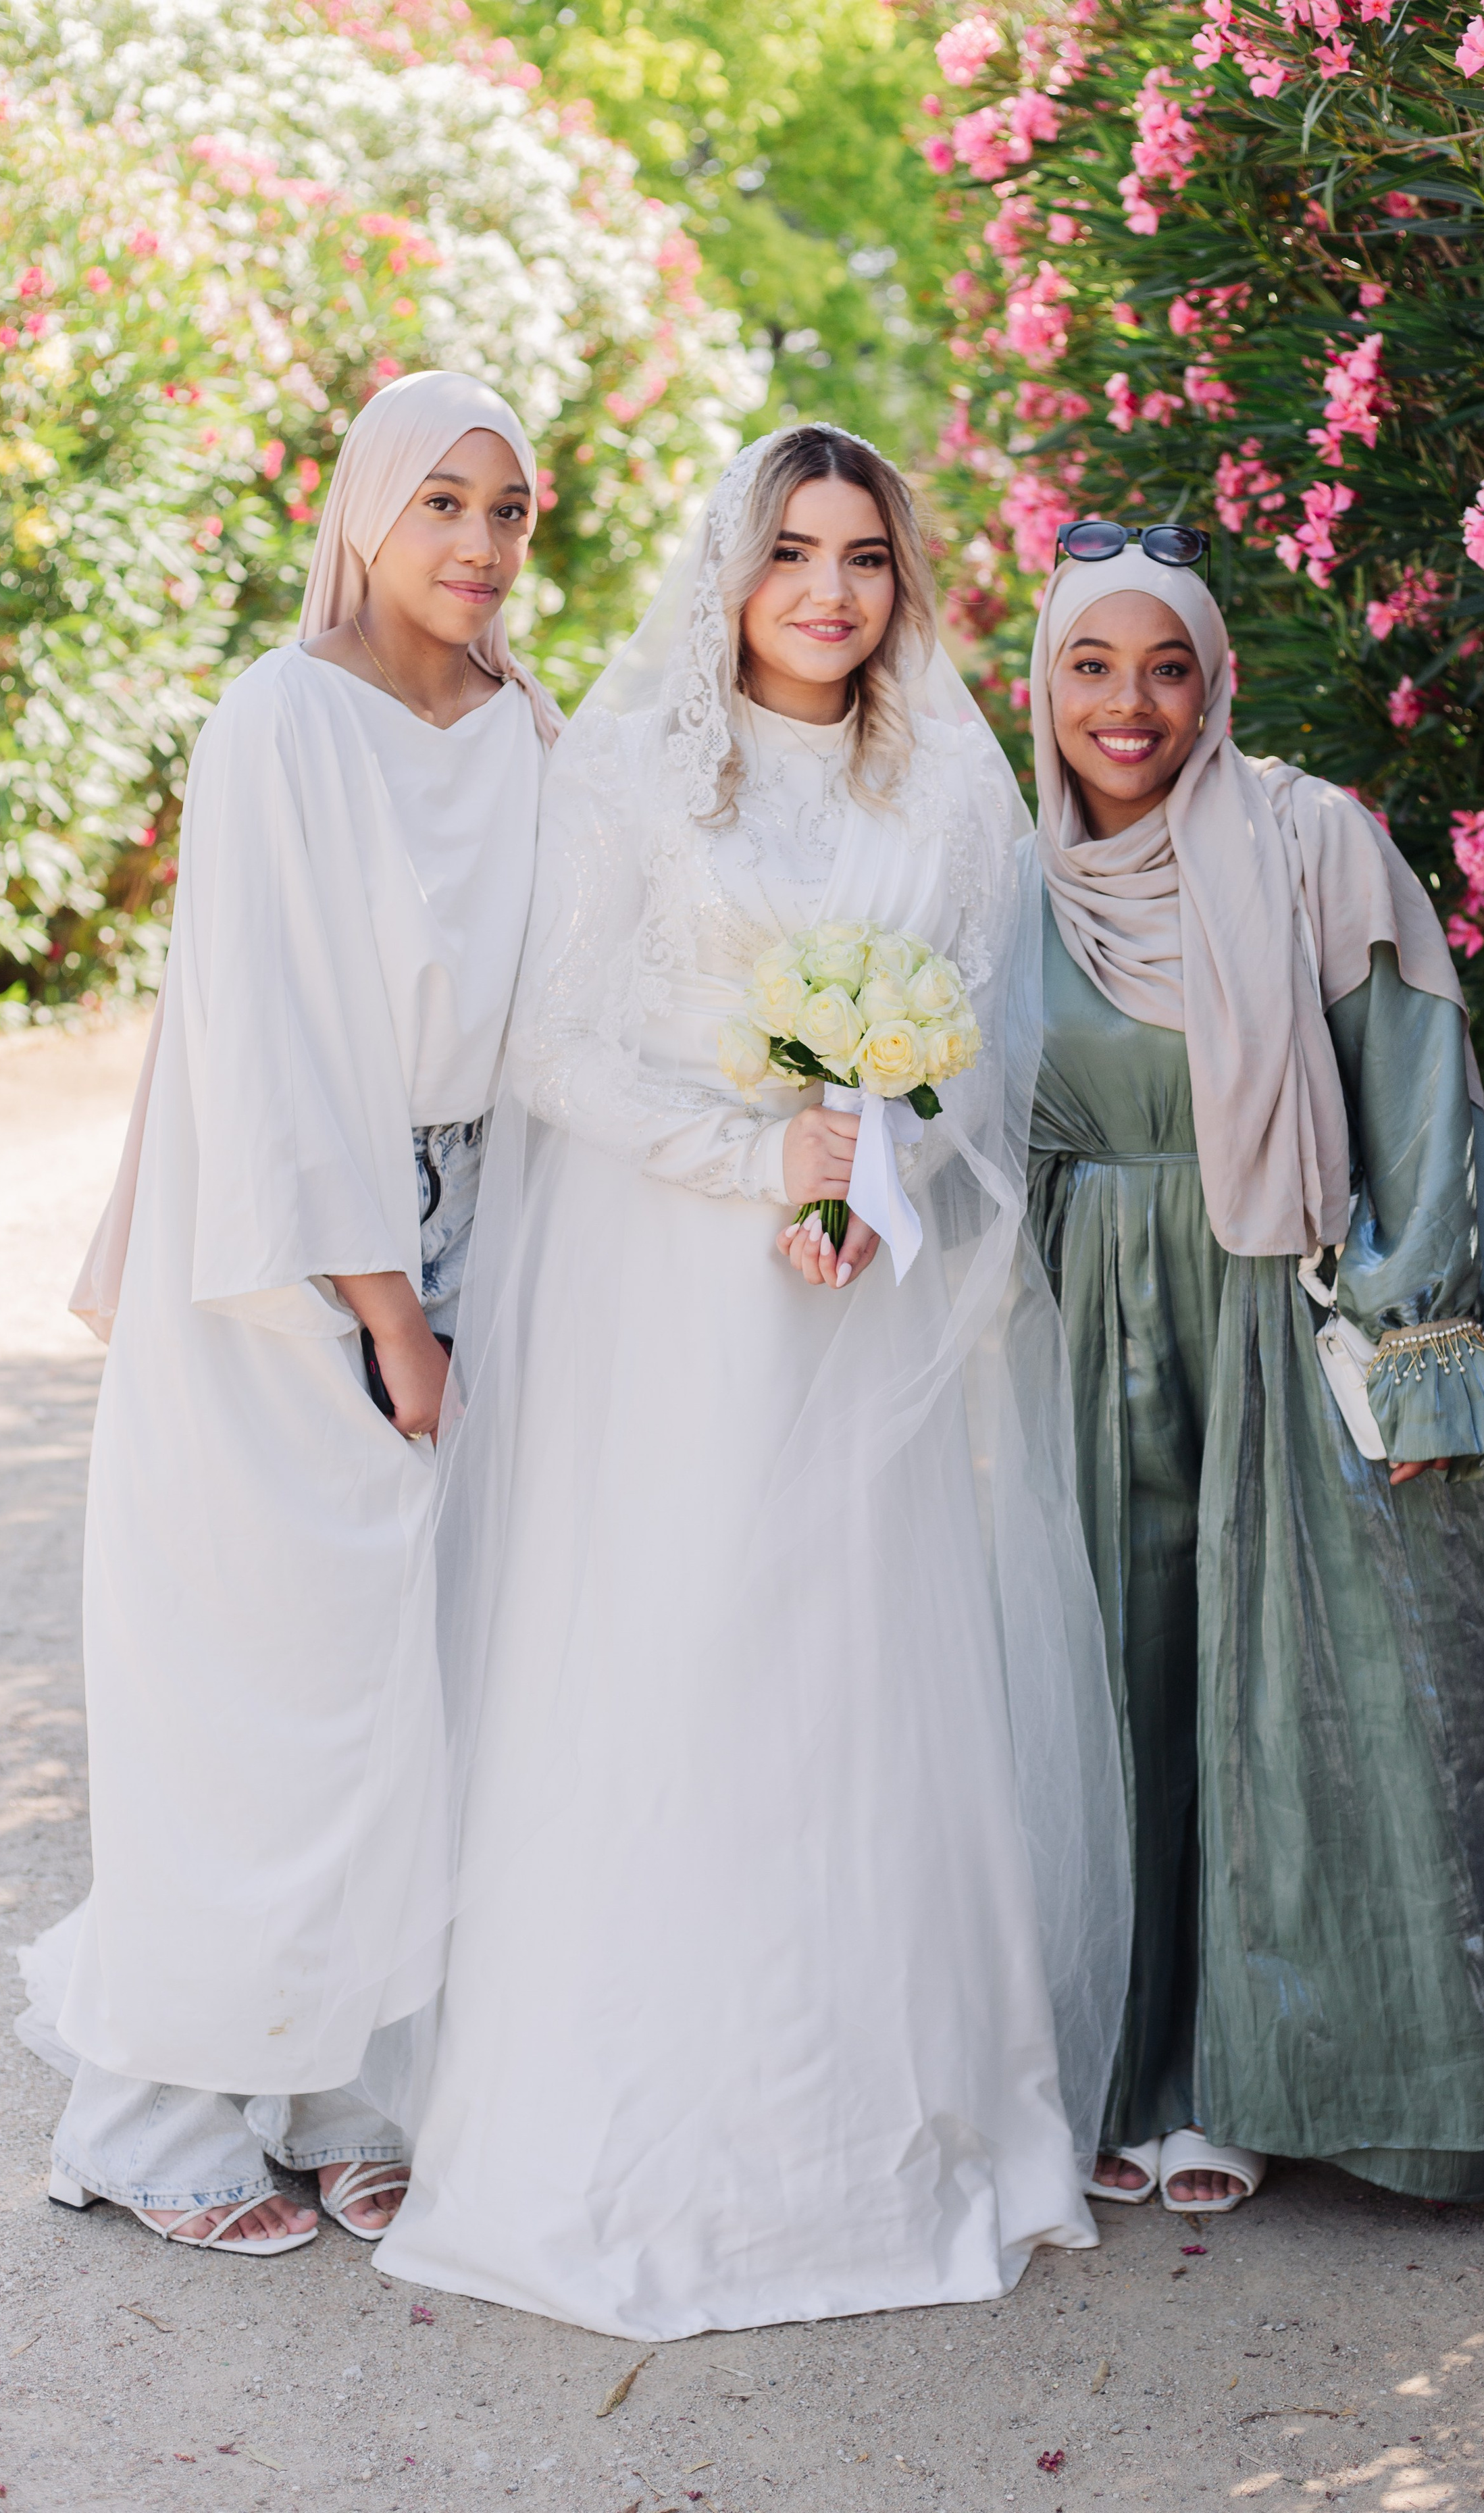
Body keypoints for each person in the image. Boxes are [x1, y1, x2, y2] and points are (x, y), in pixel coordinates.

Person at [376, 423, 1130, 2337]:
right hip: (667, 1294)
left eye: (864, 555)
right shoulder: (631, 766)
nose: (827, 588)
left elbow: (974, 1050)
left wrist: (880, 1165)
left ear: (903, 581)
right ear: (731, 565)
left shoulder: (955, 783)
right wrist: (756, 1160)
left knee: (850, 1666)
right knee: (675, 1656)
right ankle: (634, 2137)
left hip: (854, 1298)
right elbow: (554, 1045)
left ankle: (874, 2132)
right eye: (791, 548)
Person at [16, 370, 561, 2254]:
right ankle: (159, 2120)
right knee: (259, 1681)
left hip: (477, 1215)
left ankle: (345, 2081)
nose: (481, 548)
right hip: (284, 1258)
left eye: (510, 512)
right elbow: (271, 1042)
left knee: (415, 1688)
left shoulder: (525, 725)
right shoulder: (281, 722)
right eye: (446, 505)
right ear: (362, 513)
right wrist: (385, 1312)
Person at [1024, 528, 1484, 2216]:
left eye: (1166, 666)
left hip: (1286, 1304)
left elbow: (1418, 1104)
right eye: (1092, 666)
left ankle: (1280, 2087)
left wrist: (1417, 1350)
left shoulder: (1308, 840)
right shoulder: (1003, 873)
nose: (1130, 707)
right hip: (1088, 1312)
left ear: (1215, 680)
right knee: (1113, 1686)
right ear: (1039, 685)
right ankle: (1135, 2075)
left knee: (1299, 1694)